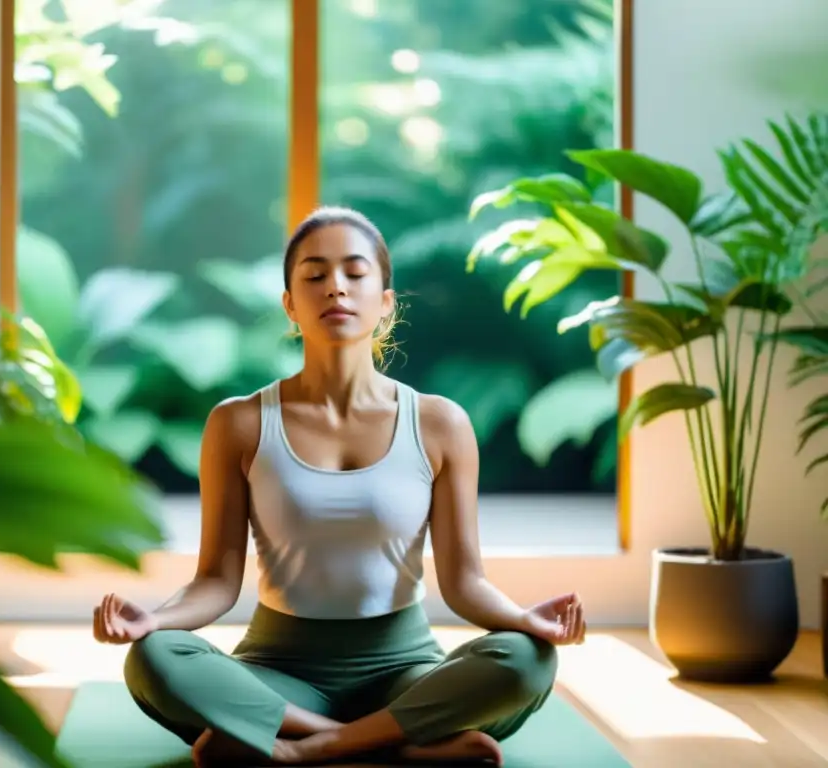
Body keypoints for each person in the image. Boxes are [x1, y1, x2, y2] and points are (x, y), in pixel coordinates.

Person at [93, 206, 587, 767]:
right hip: (279, 674)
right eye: (315, 274)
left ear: (385, 302)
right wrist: (154, 620)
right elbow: (215, 581)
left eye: (355, 273)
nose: (336, 288)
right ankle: (395, 745)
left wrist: (525, 621)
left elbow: (466, 581)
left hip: (407, 674)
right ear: (289, 305)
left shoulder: (440, 423)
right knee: (154, 659)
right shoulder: (238, 423)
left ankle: (308, 747)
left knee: (528, 660)